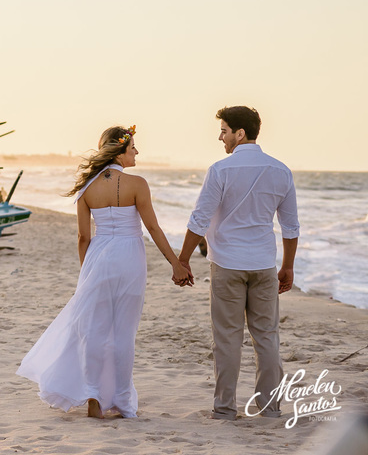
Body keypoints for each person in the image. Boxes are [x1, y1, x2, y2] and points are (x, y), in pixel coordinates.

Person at [18, 125, 191, 419]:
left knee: (94, 332)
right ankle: (122, 400)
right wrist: (175, 263)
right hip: (130, 257)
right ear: (120, 151)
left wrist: (86, 271)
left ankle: (93, 397)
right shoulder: (138, 184)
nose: (136, 152)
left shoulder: (86, 187)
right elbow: (152, 228)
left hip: (98, 257)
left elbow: (83, 237)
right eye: (133, 147)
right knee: (124, 332)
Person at [177, 106, 299, 420]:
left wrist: (183, 259)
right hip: (264, 265)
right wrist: (288, 266)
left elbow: (199, 219)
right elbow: (290, 227)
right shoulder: (281, 171)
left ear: (240, 133)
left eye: (224, 131)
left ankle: (224, 409)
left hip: (227, 265)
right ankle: (269, 408)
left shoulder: (220, 170)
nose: (221, 137)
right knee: (267, 337)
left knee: (227, 338)